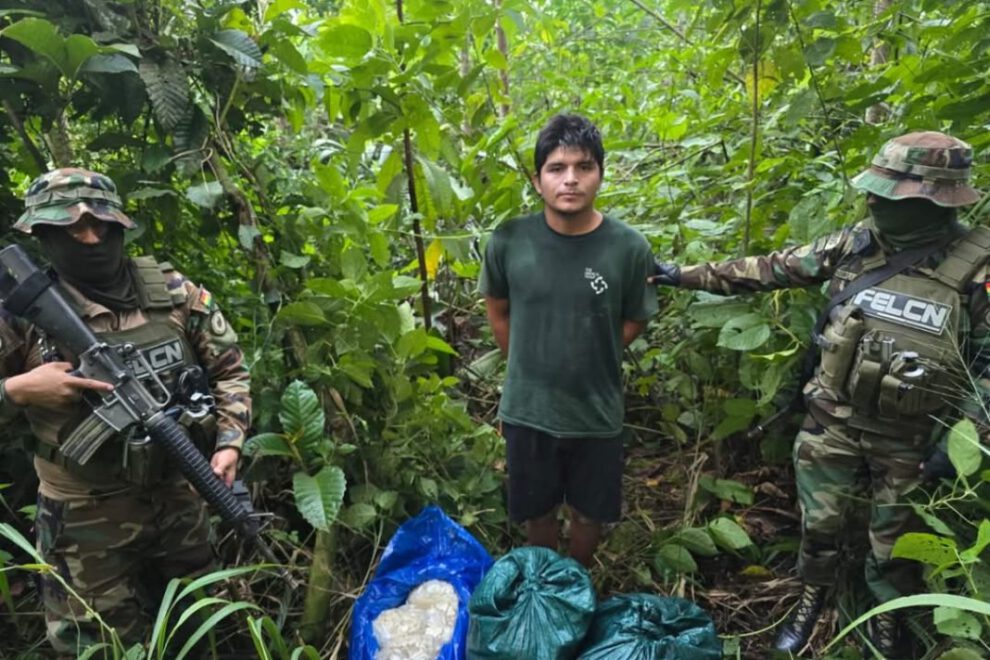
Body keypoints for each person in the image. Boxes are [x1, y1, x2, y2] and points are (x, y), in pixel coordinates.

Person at [651, 132, 989, 656]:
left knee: (893, 545)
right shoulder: (857, 243)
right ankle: (811, 597)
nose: (874, 202)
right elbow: (770, 269)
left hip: (913, 437)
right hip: (831, 420)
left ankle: (887, 619)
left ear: (932, 199)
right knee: (820, 525)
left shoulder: (977, 268)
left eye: (889, 194)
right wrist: (681, 275)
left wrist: (964, 439)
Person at [0, 168, 252, 654]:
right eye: (73, 230)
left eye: (102, 226)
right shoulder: (21, 314)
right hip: (83, 519)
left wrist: (229, 442)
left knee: (198, 627)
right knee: (95, 643)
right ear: (44, 236)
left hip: (181, 496)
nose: (91, 238)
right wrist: (19, 389)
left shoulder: (173, 291)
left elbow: (231, 371)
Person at [479, 114, 659, 567]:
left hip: (595, 411)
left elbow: (635, 317)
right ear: (538, 180)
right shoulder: (508, 241)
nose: (571, 180)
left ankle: (576, 583)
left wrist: (591, 353)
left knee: (588, 511)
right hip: (528, 410)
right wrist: (528, 364)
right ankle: (543, 580)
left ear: (600, 174)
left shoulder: (629, 248)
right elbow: (498, 310)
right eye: (557, 168)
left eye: (584, 167)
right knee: (536, 509)